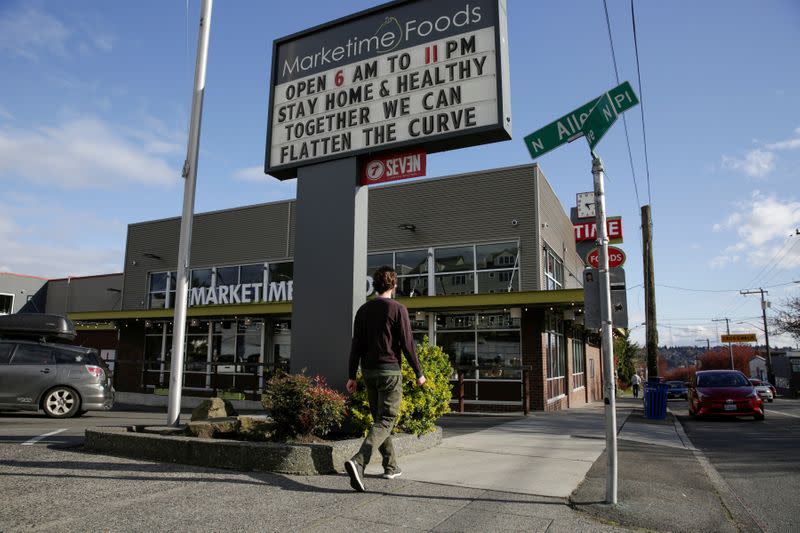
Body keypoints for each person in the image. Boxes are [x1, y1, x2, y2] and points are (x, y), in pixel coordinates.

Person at [344, 266, 426, 492]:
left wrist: (352, 375)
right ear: (393, 285)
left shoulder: (362, 310)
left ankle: (391, 466)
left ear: (375, 285)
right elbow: (408, 344)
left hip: (368, 372)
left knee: (380, 420)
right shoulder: (398, 309)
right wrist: (419, 373)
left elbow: (356, 346)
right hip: (389, 371)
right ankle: (359, 461)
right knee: (386, 420)